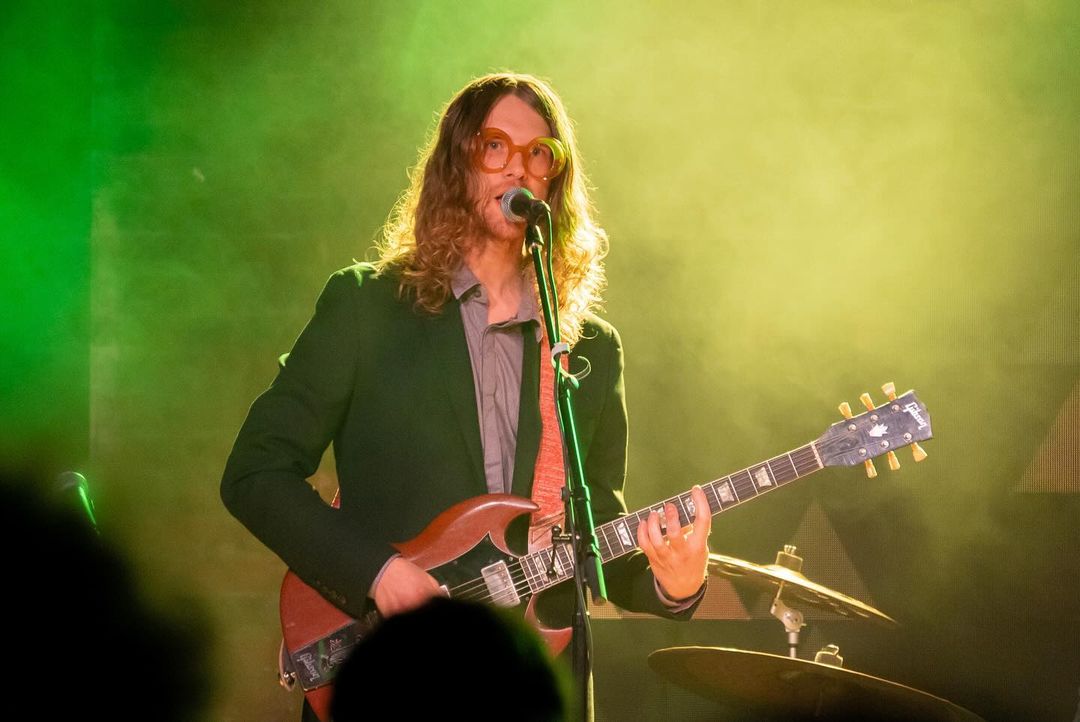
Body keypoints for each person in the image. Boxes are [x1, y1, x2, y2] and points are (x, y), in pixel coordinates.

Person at [221, 72, 711, 719]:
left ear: (555, 183)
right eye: (495, 147)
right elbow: (255, 472)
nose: (520, 168)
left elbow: (592, 541)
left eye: (541, 154)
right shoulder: (368, 306)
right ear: (458, 165)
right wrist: (378, 573)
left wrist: (677, 583)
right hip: (395, 676)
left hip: (526, 688)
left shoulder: (590, 348)